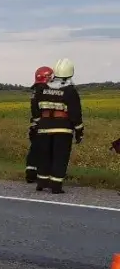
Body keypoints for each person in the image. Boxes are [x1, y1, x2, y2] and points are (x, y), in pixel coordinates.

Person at [32, 58, 83, 194]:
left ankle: (41, 183)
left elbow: (35, 110)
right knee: (60, 157)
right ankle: (56, 186)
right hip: (63, 129)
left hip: (43, 128)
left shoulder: (42, 89)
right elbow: (75, 114)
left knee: (44, 156)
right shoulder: (70, 91)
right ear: (70, 73)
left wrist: (36, 124)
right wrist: (79, 131)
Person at [25, 65, 54, 183]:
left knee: (34, 149)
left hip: (35, 125)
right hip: (44, 124)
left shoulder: (35, 90)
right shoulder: (46, 91)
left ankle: (31, 173)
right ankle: (43, 174)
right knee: (45, 150)